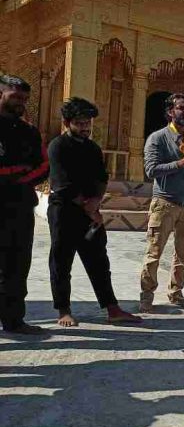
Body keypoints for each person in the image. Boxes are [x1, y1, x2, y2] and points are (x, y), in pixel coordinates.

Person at [47, 98, 142, 327]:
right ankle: (63, 310)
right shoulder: (58, 146)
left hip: (90, 211)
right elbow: (62, 184)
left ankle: (112, 308)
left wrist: (96, 203)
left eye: (88, 123)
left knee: (99, 261)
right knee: (61, 261)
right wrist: (89, 208)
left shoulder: (92, 148)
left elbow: (102, 177)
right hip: (64, 210)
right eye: (80, 123)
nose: (85, 128)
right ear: (67, 123)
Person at [138, 93, 184, 313]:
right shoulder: (158, 138)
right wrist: (180, 163)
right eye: (181, 108)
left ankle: (176, 292)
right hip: (165, 203)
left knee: (183, 252)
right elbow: (151, 170)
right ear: (170, 112)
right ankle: (147, 295)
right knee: (154, 253)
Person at [0, 75, 49, 334]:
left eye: (25, 99)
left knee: (17, 266)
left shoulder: (28, 131)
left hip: (19, 208)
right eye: (16, 96)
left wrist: (17, 180)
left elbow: (43, 166)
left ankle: (14, 320)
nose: (21, 102)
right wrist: (15, 172)